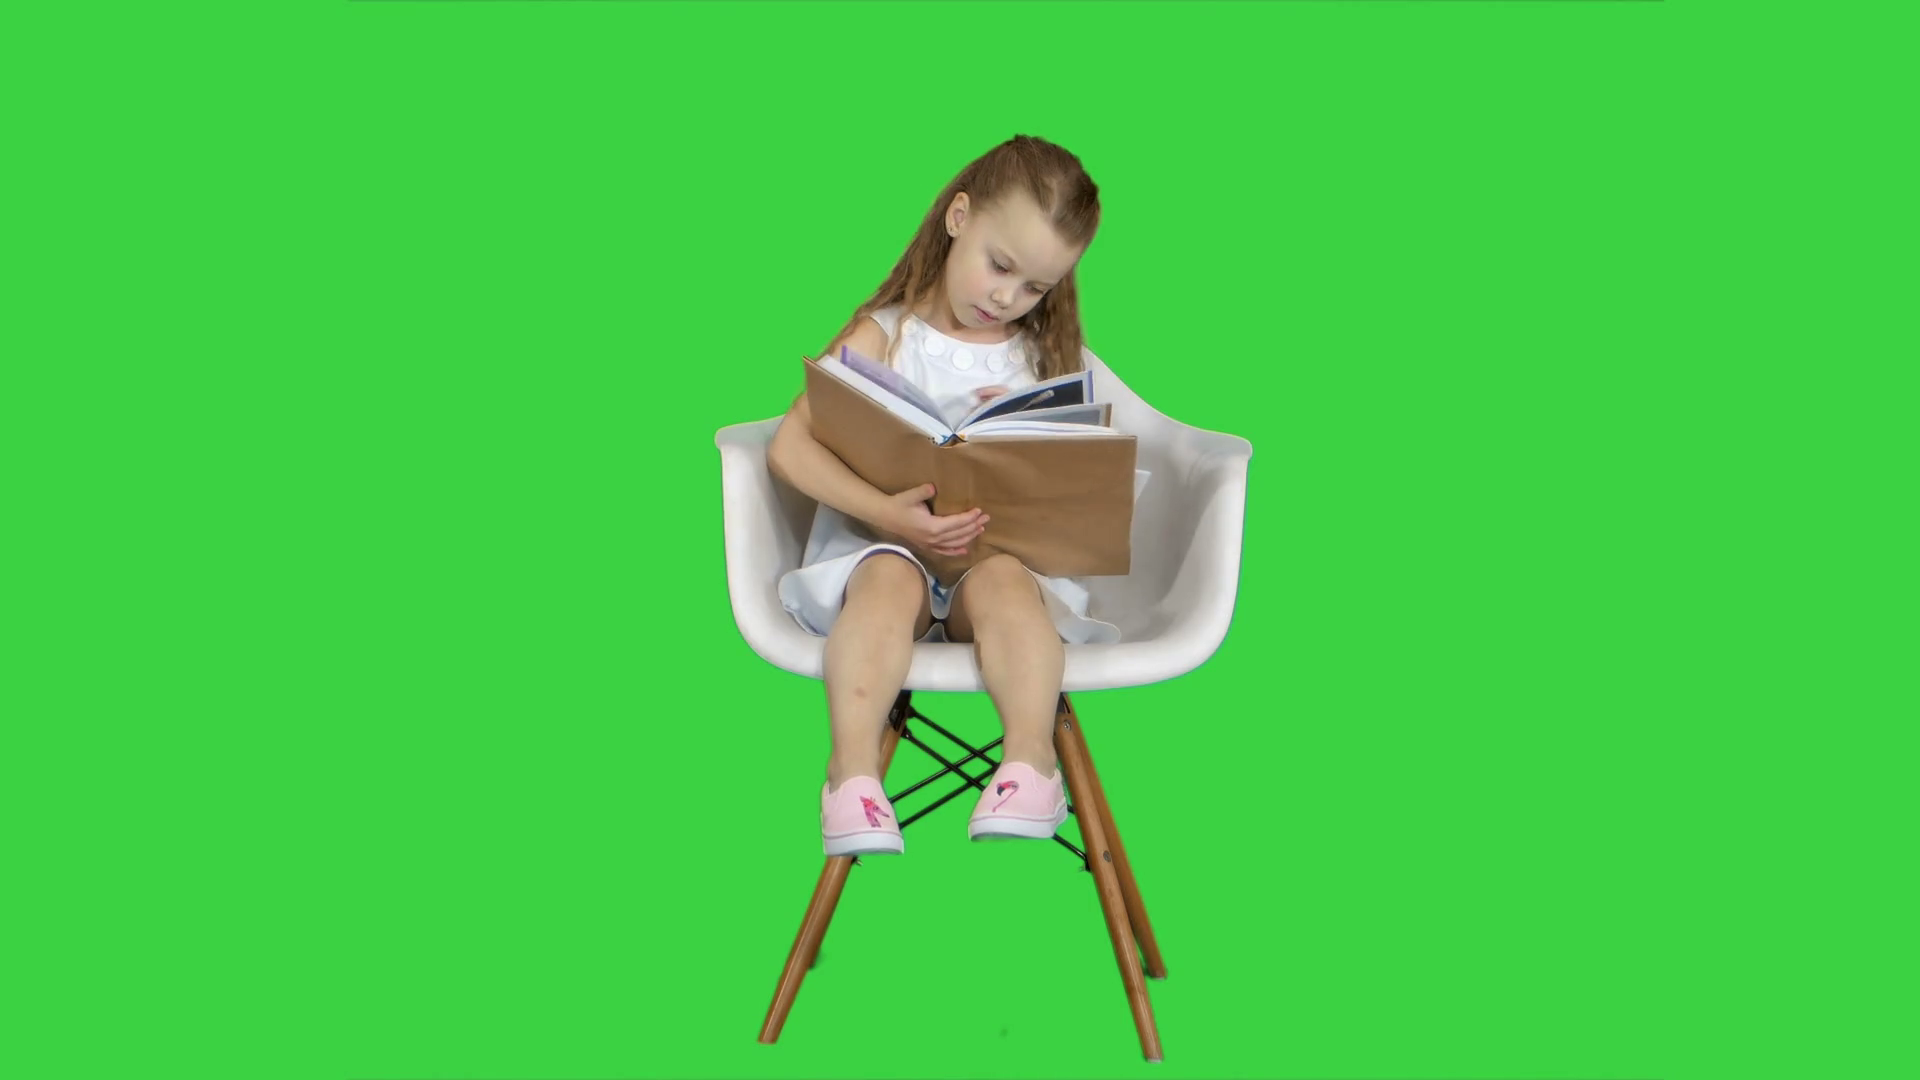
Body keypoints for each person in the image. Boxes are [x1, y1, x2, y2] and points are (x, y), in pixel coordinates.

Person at [766, 134, 1119, 858]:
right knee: (888, 579)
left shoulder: (1041, 358)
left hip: (990, 567)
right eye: (1000, 266)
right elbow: (788, 447)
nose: (1005, 298)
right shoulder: (886, 334)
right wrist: (886, 513)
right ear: (959, 217)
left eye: (1034, 289)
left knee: (1006, 589)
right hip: (883, 547)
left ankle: (1029, 764)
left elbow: (1077, 484)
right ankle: (851, 777)